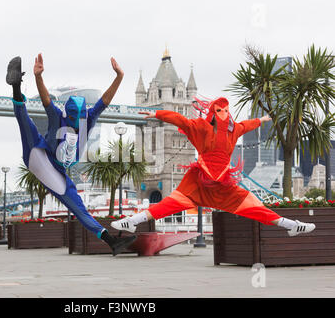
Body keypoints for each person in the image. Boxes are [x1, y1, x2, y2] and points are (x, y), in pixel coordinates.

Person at [111, 97, 316, 237]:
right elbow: (181, 120)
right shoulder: (201, 128)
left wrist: (261, 120)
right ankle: (132, 221)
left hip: (222, 184)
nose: (224, 114)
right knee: (170, 204)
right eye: (219, 111)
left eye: (226, 111)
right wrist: (158, 115)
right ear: (212, 113)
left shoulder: (233, 130)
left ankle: (291, 225)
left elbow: (247, 124)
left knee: (253, 205)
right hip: (199, 180)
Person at [6, 54, 136, 256]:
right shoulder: (88, 117)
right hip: (45, 163)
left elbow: (46, 100)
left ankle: (16, 87)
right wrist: (119, 76)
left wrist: (38, 76)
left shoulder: (60, 115)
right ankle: (111, 241)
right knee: (78, 208)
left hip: (41, 158)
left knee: (25, 124)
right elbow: (105, 100)